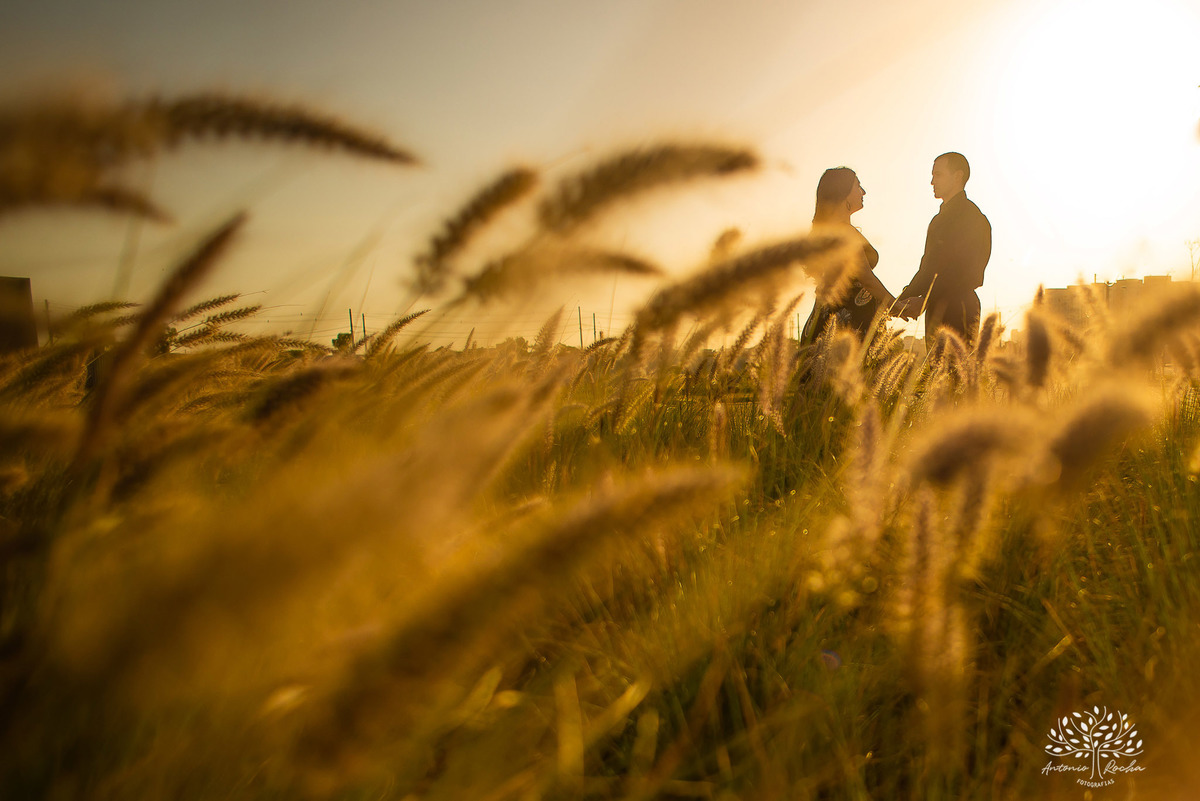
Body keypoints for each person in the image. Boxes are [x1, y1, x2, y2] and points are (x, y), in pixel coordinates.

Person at [893, 152, 992, 343]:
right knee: (935, 371)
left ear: (957, 176)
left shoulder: (974, 219)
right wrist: (899, 302)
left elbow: (970, 273)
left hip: (959, 310)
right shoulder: (937, 221)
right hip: (935, 311)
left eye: (938, 175)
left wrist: (925, 300)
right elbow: (927, 269)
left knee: (954, 371)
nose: (932, 181)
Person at [801, 167, 898, 343]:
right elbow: (867, 278)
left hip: (826, 323)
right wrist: (896, 305)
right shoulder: (844, 232)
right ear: (843, 191)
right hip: (847, 327)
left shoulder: (828, 233)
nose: (864, 192)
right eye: (858, 186)